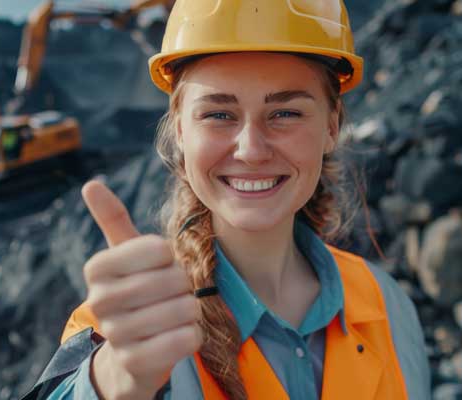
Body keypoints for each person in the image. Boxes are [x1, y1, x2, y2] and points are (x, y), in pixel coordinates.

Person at [23, 0, 430, 399]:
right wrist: (114, 380)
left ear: (332, 126)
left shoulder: (387, 303)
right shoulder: (124, 326)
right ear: (180, 131)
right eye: (219, 115)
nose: (251, 150)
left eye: (285, 113)